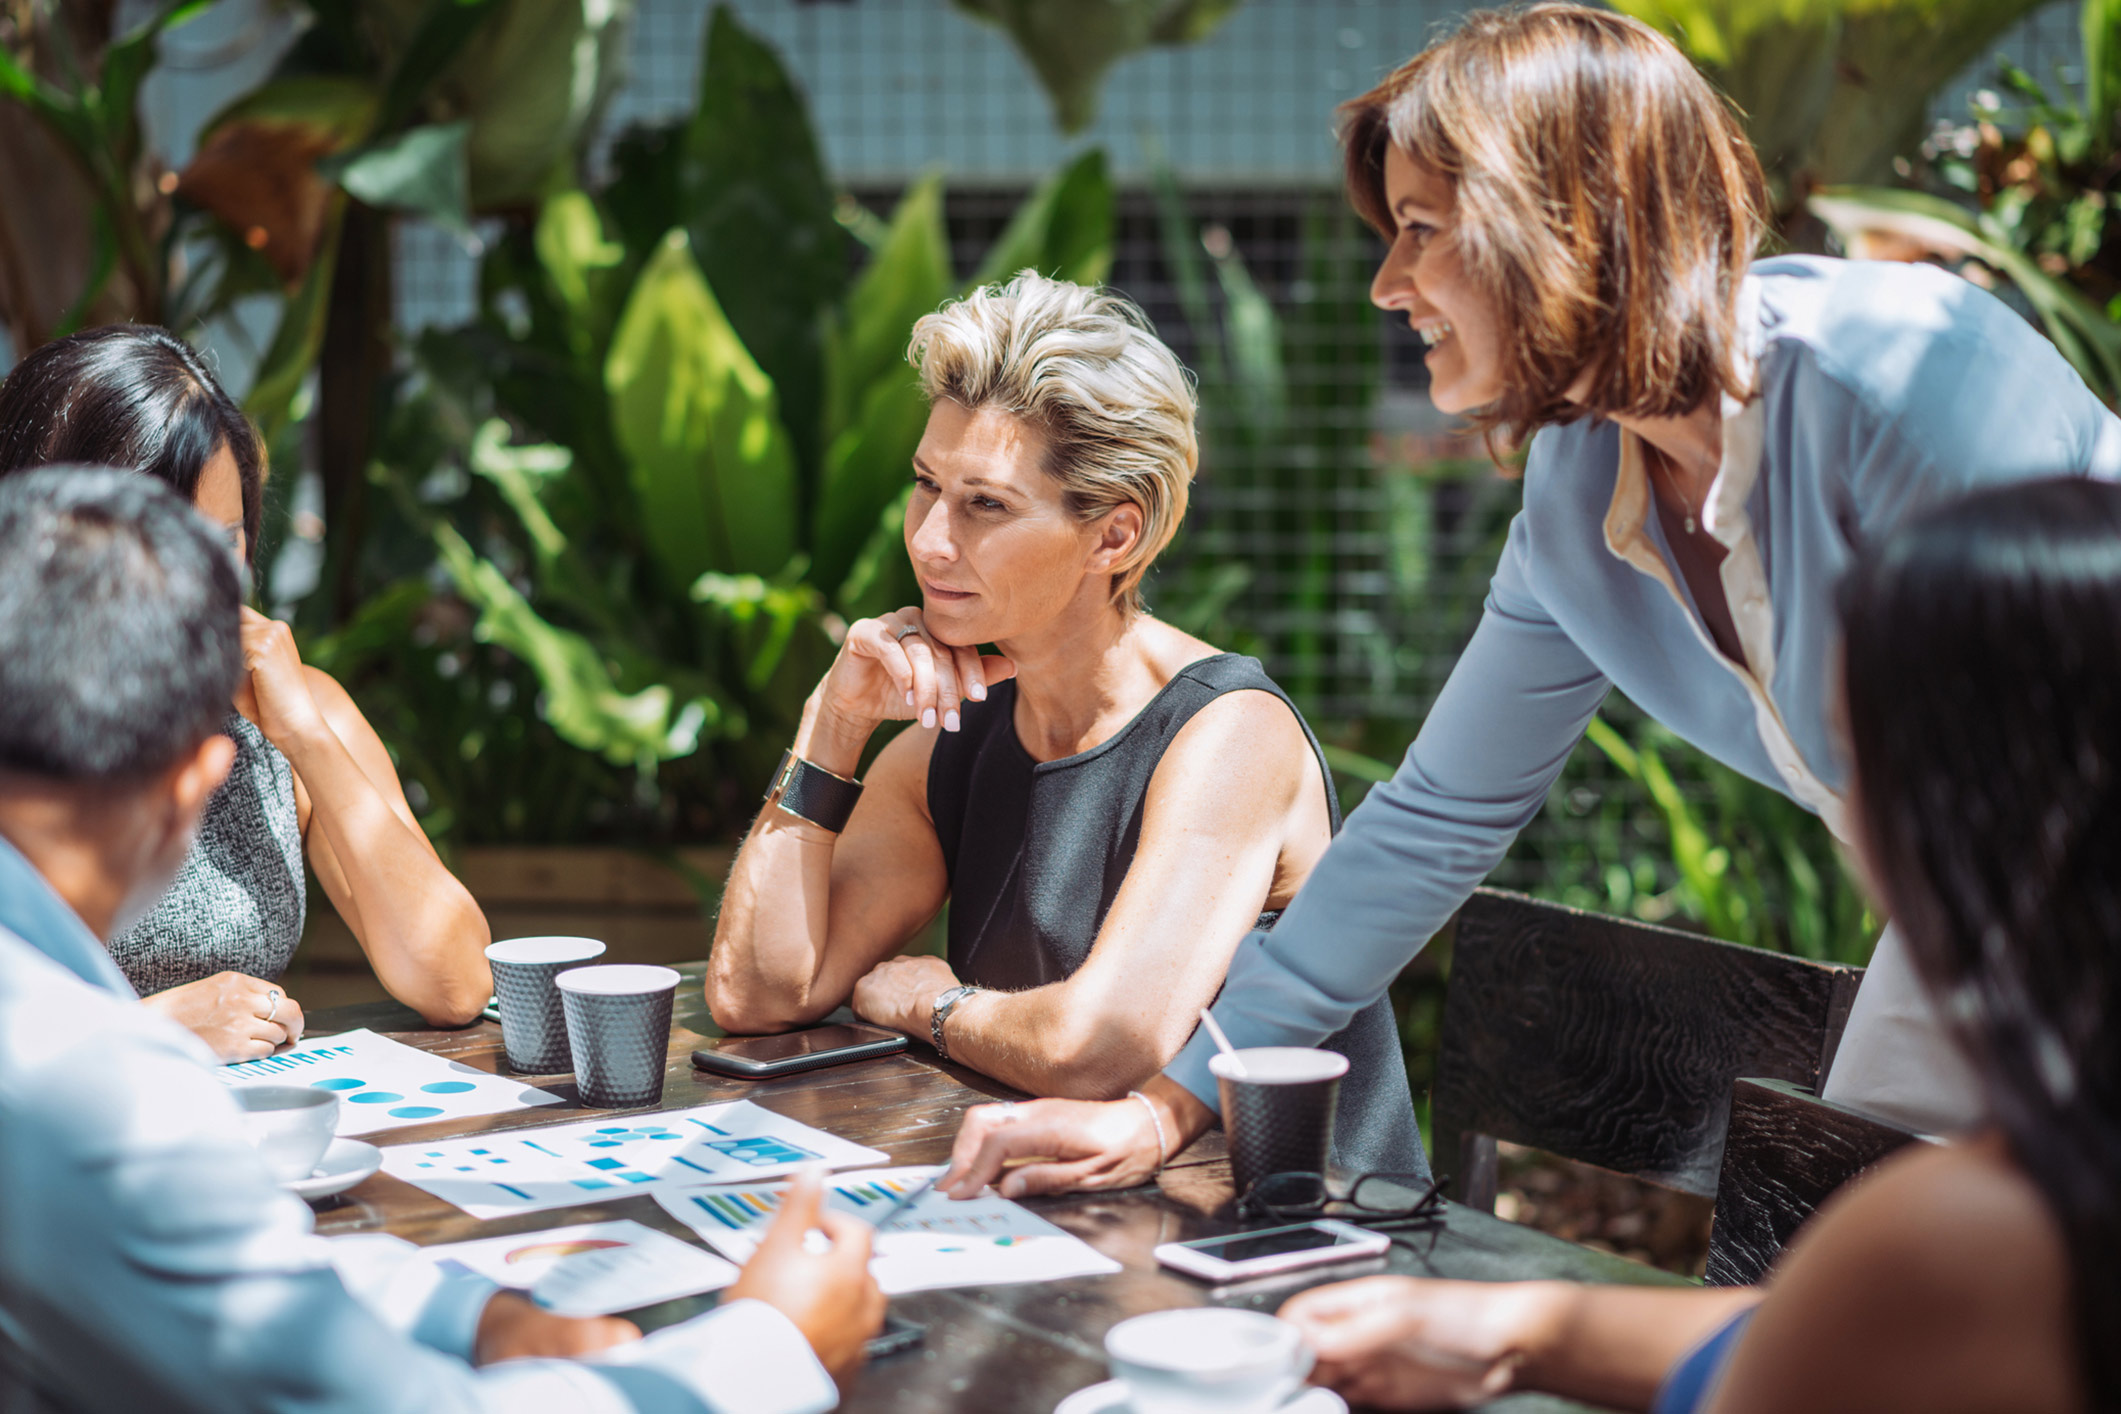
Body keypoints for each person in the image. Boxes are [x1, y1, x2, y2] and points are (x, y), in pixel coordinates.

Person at [935, 2, 2121, 1202]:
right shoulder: (1580, 494)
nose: (1387, 286)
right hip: (1983, 915)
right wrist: (1171, 1101)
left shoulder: (1910, 377)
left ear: (1559, 222)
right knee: (1861, 1260)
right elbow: (1438, 813)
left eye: (1420, 229)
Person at [0, 466, 886, 1414]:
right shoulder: (94, 1093)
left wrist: (465, 1317)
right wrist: (771, 1347)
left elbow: (220, 1266)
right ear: (194, 785)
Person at [1268, 477, 2116, 1413]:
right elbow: (1815, 1329)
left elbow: (1861, 1325)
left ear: (1947, 814)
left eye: (1848, 755)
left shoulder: (1962, 1237)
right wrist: (1522, 1332)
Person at [706, 273, 1423, 1176]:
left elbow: (1099, 1048)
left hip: (1299, 1250)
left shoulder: (1229, 733)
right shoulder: (953, 736)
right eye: (927, 486)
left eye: (986, 504)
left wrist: (934, 1005)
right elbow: (760, 993)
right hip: (1077, 1219)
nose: (929, 540)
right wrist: (832, 722)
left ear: (1113, 538)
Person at [0, 324, 493, 1060]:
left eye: (223, 542)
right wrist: (151, 1030)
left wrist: (307, 738)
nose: (199, 582)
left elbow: (454, 984)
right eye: (163, 543)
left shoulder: (292, 710)